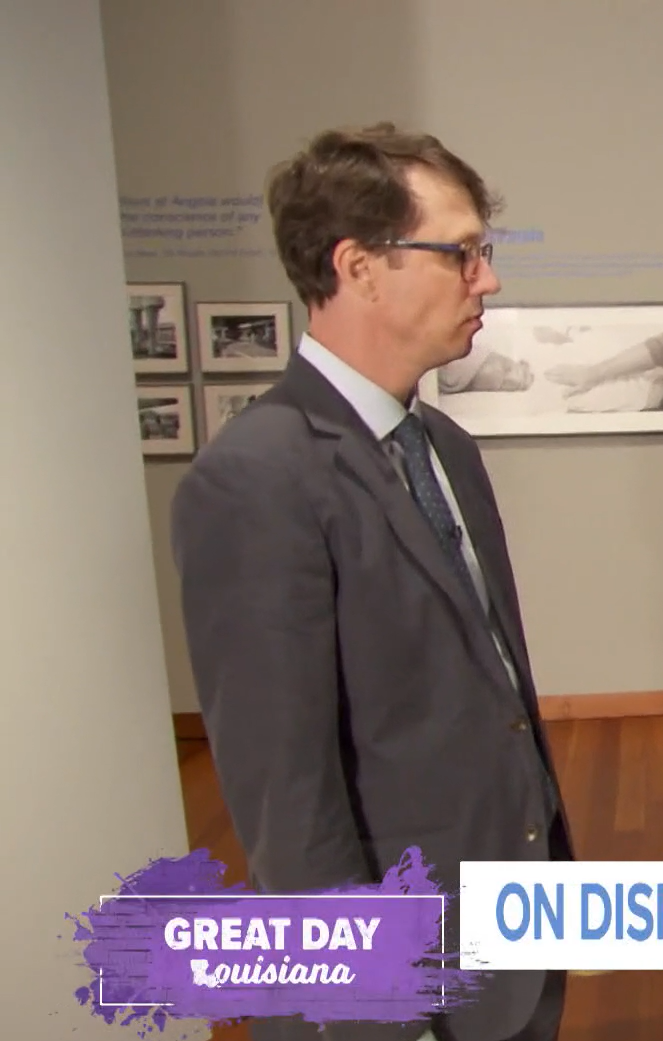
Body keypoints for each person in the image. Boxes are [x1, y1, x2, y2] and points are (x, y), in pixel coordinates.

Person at [170, 123, 570, 1041]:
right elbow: (288, 801)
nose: (490, 279)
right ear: (359, 266)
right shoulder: (257, 478)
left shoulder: (448, 449)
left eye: (486, 252)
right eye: (461, 253)